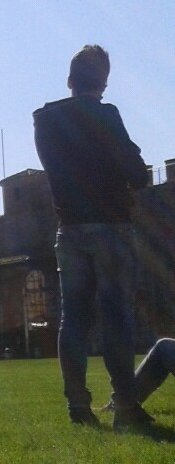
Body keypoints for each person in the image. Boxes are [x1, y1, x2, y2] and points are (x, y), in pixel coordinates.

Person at [34, 45, 153, 434]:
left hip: (69, 230)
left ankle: (78, 406)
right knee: (116, 316)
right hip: (111, 227)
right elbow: (137, 173)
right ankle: (126, 405)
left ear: (70, 81)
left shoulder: (45, 121)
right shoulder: (106, 115)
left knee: (73, 320)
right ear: (103, 82)